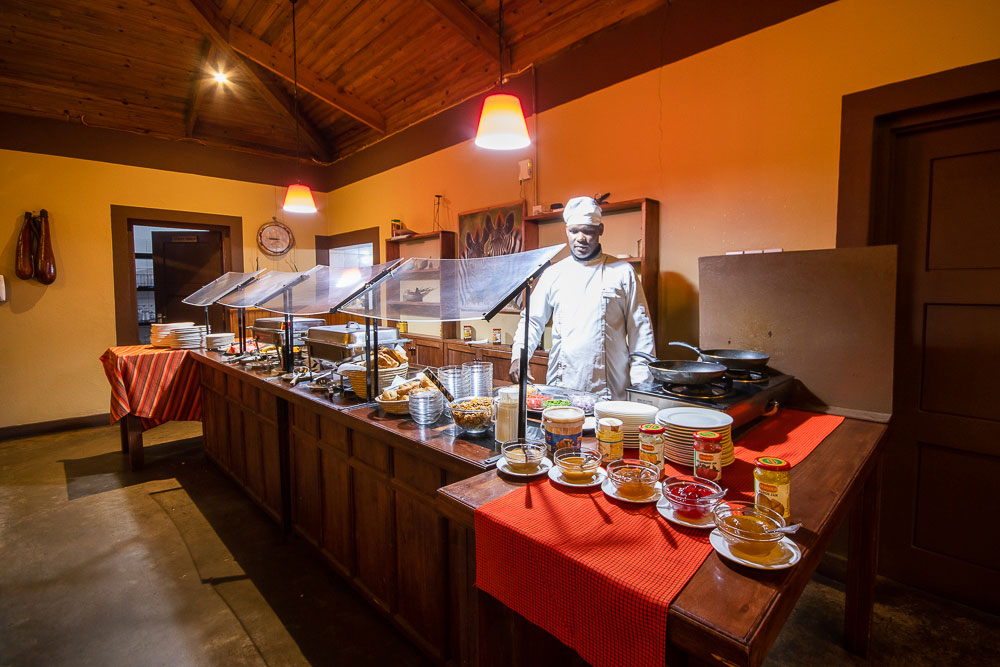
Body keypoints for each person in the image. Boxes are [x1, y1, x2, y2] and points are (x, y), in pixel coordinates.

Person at [509, 196, 655, 399]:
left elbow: (640, 330)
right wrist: (519, 355)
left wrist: (642, 382)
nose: (580, 238)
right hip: (562, 385)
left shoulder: (623, 272)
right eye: (573, 231)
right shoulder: (554, 274)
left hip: (610, 389)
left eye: (588, 231)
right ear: (566, 230)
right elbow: (532, 321)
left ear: (600, 230)